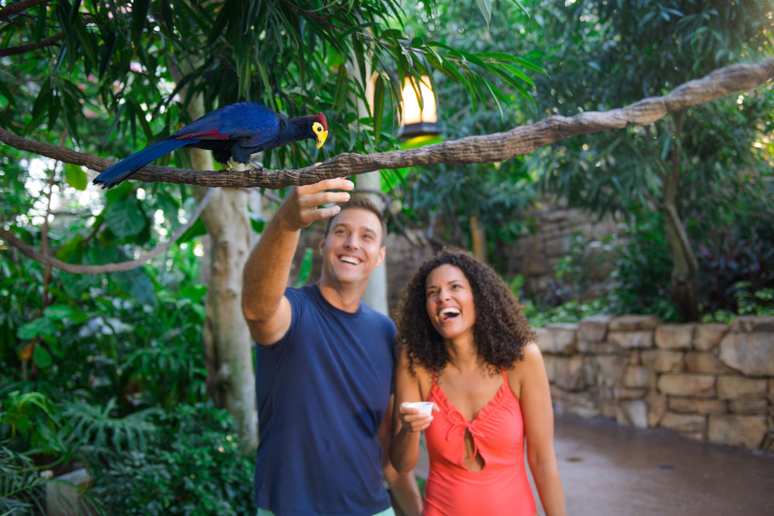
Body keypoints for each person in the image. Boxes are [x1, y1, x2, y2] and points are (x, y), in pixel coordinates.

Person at [241, 178, 422, 516]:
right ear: (323, 245)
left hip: (371, 508)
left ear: (379, 256)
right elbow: (257, 309)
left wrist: (417, 511)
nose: (353, 243)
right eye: (341, 232)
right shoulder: (292, 311)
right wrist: (286, 222)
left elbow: (385, 438)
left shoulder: (386, 333)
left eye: (367, 236)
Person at [389, 249, 566, 516]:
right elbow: (401, 465)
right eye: (432, 292)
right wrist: (410, 429)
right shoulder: (415, 364)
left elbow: (542, 460)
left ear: (479, 297)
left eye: (455, 287)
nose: (442, 297)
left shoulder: (521, 360)